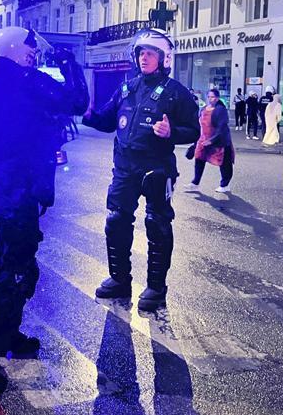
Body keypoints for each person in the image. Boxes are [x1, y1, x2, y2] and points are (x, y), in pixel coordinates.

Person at [0, 27, 88, 393]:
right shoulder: (29, 81)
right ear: (14, 50)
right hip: (19, 188)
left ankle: (8, 333)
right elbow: (77, 101)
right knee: (18, 269)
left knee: (10, 260)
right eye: (29, 49)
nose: (33, 54)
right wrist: (70, 63)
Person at [82, 28, 199, 313]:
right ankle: (119, 279)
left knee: (157, 224)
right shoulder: (127, 87)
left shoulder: (177, 93)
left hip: (156, 169)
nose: (144, 58)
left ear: (164, 58)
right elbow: (108, 121)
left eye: (150, 54)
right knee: (116, 220)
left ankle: (156, 287)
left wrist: (172, 132)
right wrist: (83, 113)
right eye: (141, 53)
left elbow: (193, 131)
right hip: (124, 168)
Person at [188, 89, 234, 193]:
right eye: (208, 97)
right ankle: (195, 183)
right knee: (199, 159)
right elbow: (200, 124)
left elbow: (222, 127)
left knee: (224, 162)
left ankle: (225, 185)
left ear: (217, 98)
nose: (210, 99)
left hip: (219, 140)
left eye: (212, 97)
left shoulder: (221, 110)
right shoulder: (204, 108)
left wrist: (212, 140)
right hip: (204, 138)